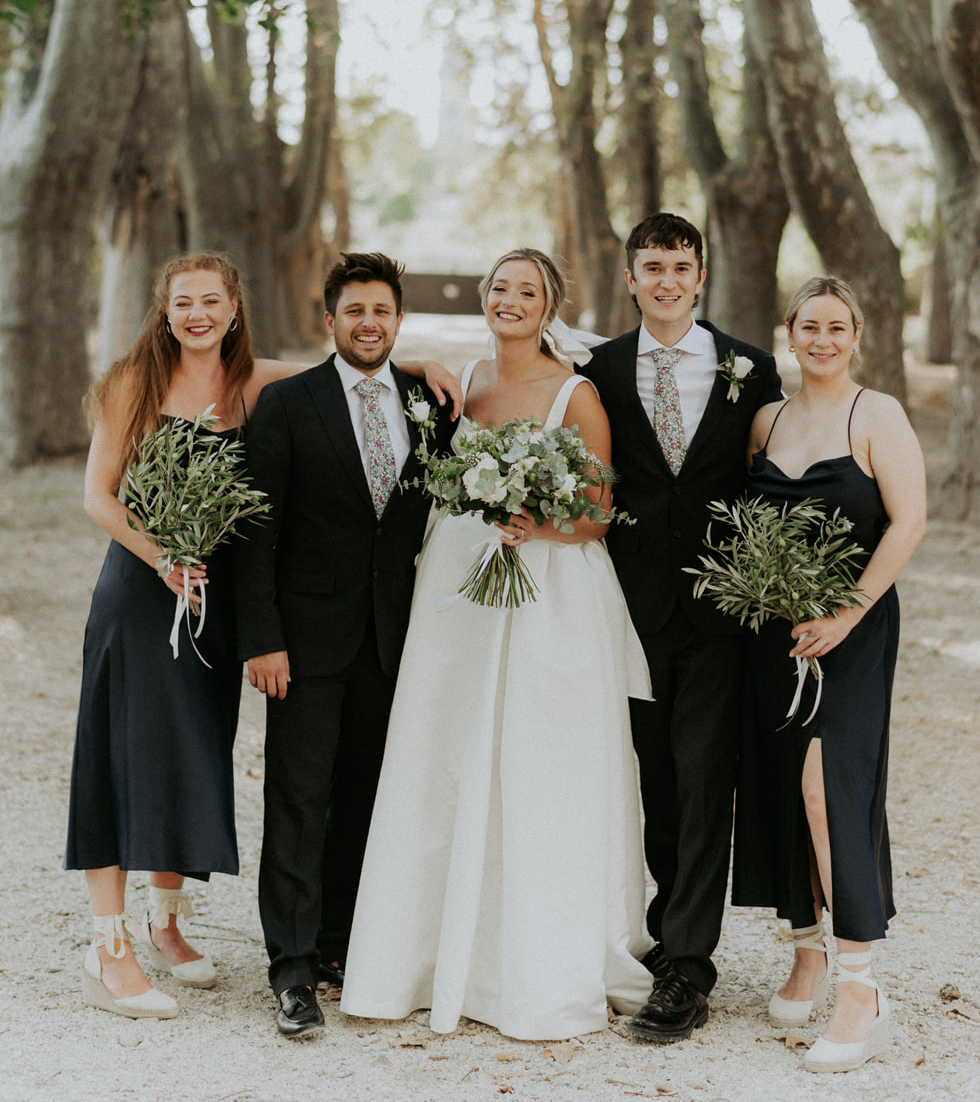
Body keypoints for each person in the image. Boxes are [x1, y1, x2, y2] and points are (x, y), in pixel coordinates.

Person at [340, 248, 654, 1041]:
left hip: (547, 596)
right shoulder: (464, 381)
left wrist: (537, 522)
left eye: (527, 291)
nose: (510, 300)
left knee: (536, 763)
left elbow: (598, 513)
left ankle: (532, 960)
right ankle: (422, 953)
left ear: (550, 308)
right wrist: (417, 362)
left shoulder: (577, 394)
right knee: (441, 752)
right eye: (501, 288)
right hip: (456, 590)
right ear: (484, 298)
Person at [66, 253, 307, 1020]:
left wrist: (425, 364)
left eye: (210, 301)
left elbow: (346, 372)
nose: (196, 314)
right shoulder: (130, 382)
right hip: (141, 595)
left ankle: (166, 923)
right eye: (182, 303)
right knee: (117, 759)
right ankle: (109, 951)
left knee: (191, 752)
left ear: (234, 308)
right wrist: (162, 558)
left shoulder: (254, 384)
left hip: (213, 606)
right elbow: (98, 498)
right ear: (164, 310)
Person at [233, 251, 458, 1039]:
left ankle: (339, 943)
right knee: (298, 800)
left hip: (395, 642)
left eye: (381, 311)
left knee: (366, 798)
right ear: (328, 319)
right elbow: (254, 531)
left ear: (398, 321)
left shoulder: (428, 404)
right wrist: (262, 638)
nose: (368, 324)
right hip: (303, 642)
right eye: (354, 311)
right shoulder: (287, 403)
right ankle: (291, 970)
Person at [582, 212, 783, 1042]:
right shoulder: (596, 369)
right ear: (629, 278)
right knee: (651, 780)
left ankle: (688, 966)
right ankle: (657, 932)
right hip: (624, 608)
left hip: (718, 611)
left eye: (680, 266)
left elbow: (775, 476)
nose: (666, 280)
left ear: (700, 277)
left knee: (703, 778)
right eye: (652, 266)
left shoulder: (751, 369)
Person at [733, 276, 926, 1074]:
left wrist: (846, 613)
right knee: (782, 784)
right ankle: (805, 949)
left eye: (835, 327)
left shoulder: (875, 414)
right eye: (808, 325)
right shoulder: (766, 419)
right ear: (788, 333)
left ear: (855, 336)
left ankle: (859, 989)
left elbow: (908, 521)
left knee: (827, 789)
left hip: (851, 628)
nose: (821, 339)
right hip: (773, 633)